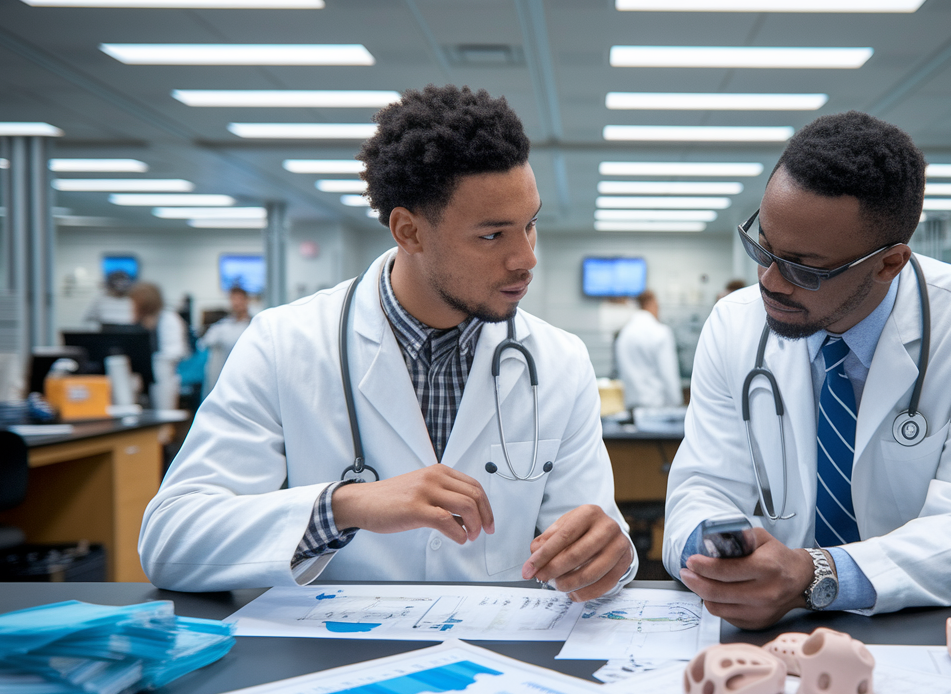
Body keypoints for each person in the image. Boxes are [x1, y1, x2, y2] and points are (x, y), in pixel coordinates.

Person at [140, 85, 637, 598]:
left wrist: (611, 557)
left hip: (498, 654)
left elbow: (594, 539)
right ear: (409, 231)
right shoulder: (284, 344)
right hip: (332, 660)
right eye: (492, 236)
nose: (526, 259)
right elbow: (170, 542)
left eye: (529, 226)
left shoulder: (558, 360)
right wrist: (346, 506)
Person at [663, 111, 951, 629]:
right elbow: (703, 485)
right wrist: (719, 555)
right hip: (769, 629)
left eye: (803, 267)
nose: (770, 282)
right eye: (763, 247)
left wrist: (815, 574)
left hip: (918, 622)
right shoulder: (734, 323)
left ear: (889, 264)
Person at [614, 289, 682, 410]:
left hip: (630, 406)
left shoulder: (624, 333)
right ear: (652, 304)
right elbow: (668, 375)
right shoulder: (660, 332)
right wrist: (676, 403)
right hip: (656, 407)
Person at [129, 281, 189, 410]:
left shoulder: (169, 318)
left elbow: (177, 351)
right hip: (140, 378)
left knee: (164, 416)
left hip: (163, 377)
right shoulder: (139, 321)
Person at [199, 286, 253, 397]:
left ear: (246, 301)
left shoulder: (254, 325)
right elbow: (203, 344)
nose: (236, 303)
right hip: (221, 379)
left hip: (246, 377)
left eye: (240, 299)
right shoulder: (221, 326)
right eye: (233, 299)